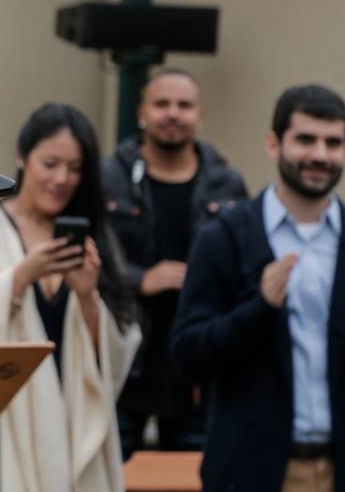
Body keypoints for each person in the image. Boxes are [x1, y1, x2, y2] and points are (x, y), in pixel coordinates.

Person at [0, 103, 140, 491]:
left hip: (71, 427)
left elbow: (116, 358)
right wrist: (21, 277)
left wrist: (86, 296)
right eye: (50, 163)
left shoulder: (96, 238)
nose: (62, 178)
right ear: (22, 157)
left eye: (75, 168)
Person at [172, 84, 345, 492]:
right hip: (251, 470)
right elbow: (188, 355)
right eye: (306, 139)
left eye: (334, 143)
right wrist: (259, 307)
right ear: (274, 144)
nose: (320, 155)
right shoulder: (225, 237)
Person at [101, 67, 247, 457]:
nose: (173, 113)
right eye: (162, 103)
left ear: (199, 115)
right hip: (127, 356)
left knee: (190, 474)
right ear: (141, 113)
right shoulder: (109, 176)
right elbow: (86, 253)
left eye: (184, 105)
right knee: (112, 472)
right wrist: (139, 278)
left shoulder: (227, 182)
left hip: (195, 364)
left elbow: (242, 264)